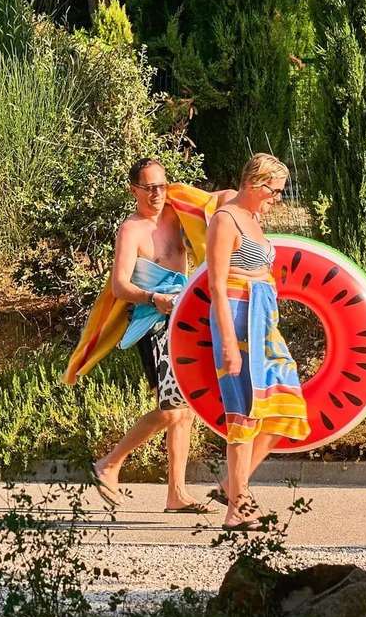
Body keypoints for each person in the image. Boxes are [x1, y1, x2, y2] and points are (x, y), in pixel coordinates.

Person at [90, 158, 235, 513]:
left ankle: (176, 494)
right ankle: (109, 463)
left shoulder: (178, 210)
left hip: (183, 320)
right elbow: (120, 286)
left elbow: (228, 197)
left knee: (184, 411)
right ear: (134, 190)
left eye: (161, 185)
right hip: (152, 323)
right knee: (172, 410)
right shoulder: (131, 229)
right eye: (149, 187)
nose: (157, 193)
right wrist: (154, 297)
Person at [206, 153, 309, 531]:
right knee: (244, 414)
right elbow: (216, 285)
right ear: (255, 183)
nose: (279, 198)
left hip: (262, 321)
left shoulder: (253, 217)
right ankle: (236, 507)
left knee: (286, 408)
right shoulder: (226, 220)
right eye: (275, 190)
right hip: (236, 317)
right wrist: (230, 345)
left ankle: (230, 485)